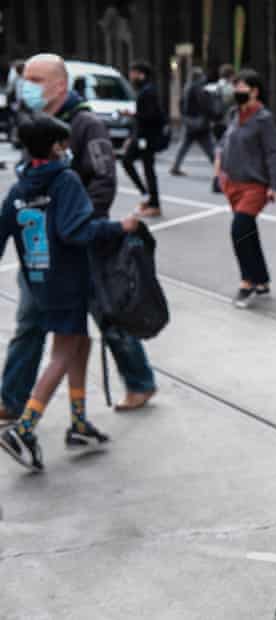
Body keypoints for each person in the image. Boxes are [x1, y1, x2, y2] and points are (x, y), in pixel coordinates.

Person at [0, 53, 157, 426]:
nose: (27, 84)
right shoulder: (36, 124)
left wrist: (84, 222)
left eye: (36, 79)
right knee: (30, 321)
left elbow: (104, 179)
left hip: (81, 244)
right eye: (26, 78)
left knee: (106, 314)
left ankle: (139, 381)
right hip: (42, 250)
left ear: (59, 84)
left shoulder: (86, 124)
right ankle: (11, 398)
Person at [0, 113, 139, 471]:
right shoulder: (66, 181)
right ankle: (24, 428)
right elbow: (76, 230)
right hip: (69, 281)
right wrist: (119, 227)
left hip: (39, 282)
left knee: (81, 342)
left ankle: (78, 422)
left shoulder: (19, 190)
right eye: (64, 144)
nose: (67, 149)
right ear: (56, 146)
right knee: (63, 352)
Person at [215, 69, 276, 309]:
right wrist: (220, 167)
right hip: (233, 184)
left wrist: (274, 185)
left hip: (255, 185)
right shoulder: (234, 114)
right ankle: (262, 280)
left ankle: (247, 283)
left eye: (241, 87)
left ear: (254, 91)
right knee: (248, 232)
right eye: (236, 88)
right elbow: (224, 142)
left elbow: (273, 153)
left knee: (239, 230)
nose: (236, 92)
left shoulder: (263, 119)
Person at [121, 60, 165, 217]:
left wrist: (132, 115)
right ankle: (149, 197)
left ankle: (153, 202)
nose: (130, 76)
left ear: (141, 74)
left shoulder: (148, 92)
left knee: (143, 167)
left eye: (133, 73)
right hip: (141, 136)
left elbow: (152, 116)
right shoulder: (144, 91)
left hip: (146, 138)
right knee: (138, 165)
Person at [170, 67, 216, 185]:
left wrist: (184, 117)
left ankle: (175, 166)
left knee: (184, 146)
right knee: (209, 148)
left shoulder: (187, 88)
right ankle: (220, 170)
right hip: (199, 122)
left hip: (189, 122)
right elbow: (204, 105)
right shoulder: (199, 89)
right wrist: (210, 115)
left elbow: (181, 104)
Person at [206, 63, 236, 143]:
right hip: (226, 121)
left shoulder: (212, 87)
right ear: (231, 75)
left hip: (214, 121)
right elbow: (231, 104)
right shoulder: (230, 88)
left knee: (218, 146)